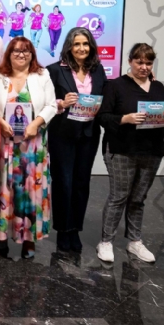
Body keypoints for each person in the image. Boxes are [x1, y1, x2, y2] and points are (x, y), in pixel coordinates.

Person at [96, 43, 164, 263]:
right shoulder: (115, 85)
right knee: (119, 197)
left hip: (151, 151)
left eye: (148, 62)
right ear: (130, 61)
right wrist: (125, 119)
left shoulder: (158, 87)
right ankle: (106, 241)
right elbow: (103, 117)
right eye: (139, 62)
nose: (144, 67)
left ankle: (135, 241)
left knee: (138, 199)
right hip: (121, 150)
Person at [0, 37, 56, 258]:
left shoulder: (42, 75)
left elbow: (52, 105)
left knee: (30, 192)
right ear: (8, 54)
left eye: (26, 51)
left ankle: (29, 239)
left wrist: (36, 124)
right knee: (4, 190)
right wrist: (0, 122)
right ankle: (1, 236)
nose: (21, 54)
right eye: (16, 51)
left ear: (32, 54)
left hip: (33, 147)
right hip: (5, 145)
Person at [47, 28, 107, 252]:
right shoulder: (54, 70)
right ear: (69, 47)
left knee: (82, 182)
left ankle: (75, 229)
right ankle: (63, 230)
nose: (81, 48)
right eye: (76, 44)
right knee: (63, 182)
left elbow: (107, 95)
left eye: (85, 44)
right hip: (62, 134)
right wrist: (61, 102)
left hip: (89, 135)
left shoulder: (98, 70)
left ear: (91, 46)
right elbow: (45, 99)